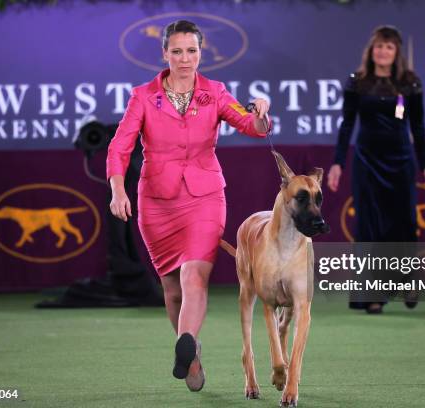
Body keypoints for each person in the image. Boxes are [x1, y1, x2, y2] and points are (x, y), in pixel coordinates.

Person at [106, 20, 270, 391]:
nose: (184, 59)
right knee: (172, 289)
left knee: (194, 275)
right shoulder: (143, 96)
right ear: (164, 53)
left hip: (205, 196)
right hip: (157, 201)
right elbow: (119, 148)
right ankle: (190, 352)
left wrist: (261, 112)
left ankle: (186, 341)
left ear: (201, 52)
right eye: (177, 51)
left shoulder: (215, 92)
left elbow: (252, 127)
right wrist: (118, 190)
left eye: (191, 51)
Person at [327, 25, 425, 314]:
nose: (383, 51)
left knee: (403, 225)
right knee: (368, 227)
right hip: (367, 161)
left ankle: (408, 281)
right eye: (379, 46)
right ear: (371, 50)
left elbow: (419, 126)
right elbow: (347, 124)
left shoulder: (410, 83)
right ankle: (372, 295)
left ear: (396, 52)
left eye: (389, 47)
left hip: (401, 161)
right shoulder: (357, 82)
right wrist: (338, 162)